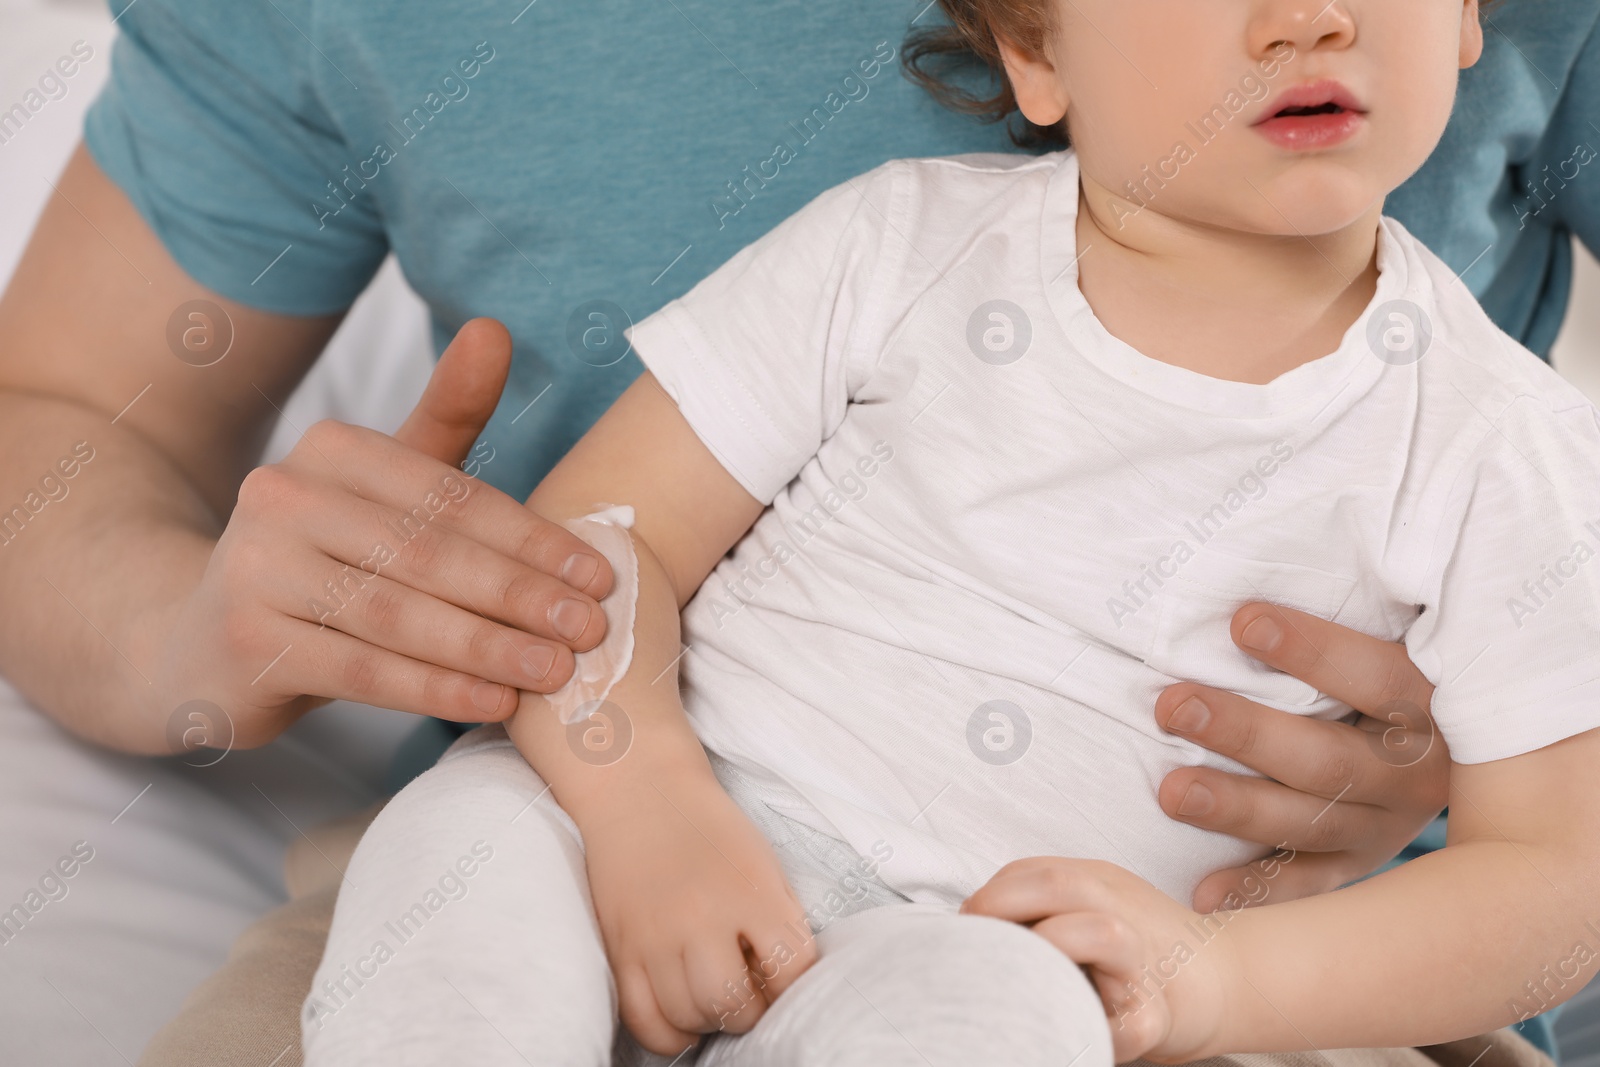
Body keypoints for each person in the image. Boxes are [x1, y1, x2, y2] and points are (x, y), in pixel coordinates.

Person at [0, 0, 1592, 1060]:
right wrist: (645, 814)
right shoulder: (900, 247)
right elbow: (601, 545)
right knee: (468, 864)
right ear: (1036, 58)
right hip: (603, 807)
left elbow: (1559, 885)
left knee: (991, 1018)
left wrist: (1219, 982)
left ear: (1465, 18)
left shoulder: (1498, 450)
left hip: (1086, 955)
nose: (1305, 10)